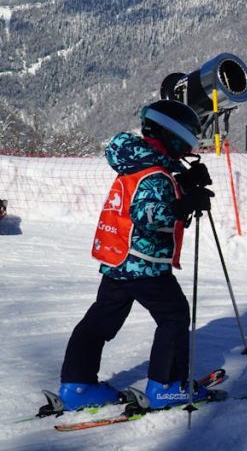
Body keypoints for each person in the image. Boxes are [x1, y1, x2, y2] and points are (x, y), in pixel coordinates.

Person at [57, 98, 216, 411]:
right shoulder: (154, 173)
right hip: (144, 264)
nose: (189, 148)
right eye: (187, 140)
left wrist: (183, 184)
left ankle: (78, 385)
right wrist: (183, 205)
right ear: (173, 136)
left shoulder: (136, 163)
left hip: (118, 259)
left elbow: (149, 190)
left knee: (101, 320)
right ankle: (166, 386)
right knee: (174, 316)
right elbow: (147, 214)